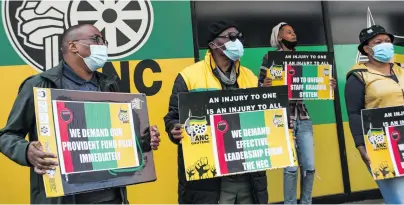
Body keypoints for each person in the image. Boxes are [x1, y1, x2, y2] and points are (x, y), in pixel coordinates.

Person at [0, 24, 161, 204]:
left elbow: (118, 137)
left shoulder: (109, 85)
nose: (103, 46)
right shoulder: (40, 85)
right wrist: (27, 151)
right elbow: (7, 136)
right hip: (65, 198)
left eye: (104, 41)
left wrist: (143, 139)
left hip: (110, 197)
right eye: (96, 39)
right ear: (73, 46)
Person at [163, 20, 268, 204]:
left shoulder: (250, 77)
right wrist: (174, 129)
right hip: (211, 183)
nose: (237, 42)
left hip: (248, 176)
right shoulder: (189, 77)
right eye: (231, 37)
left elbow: (264, 116)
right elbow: (173, 118)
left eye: (239, 36)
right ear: (213, 44)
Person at [260, 22, 336, 204]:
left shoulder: (303, 58)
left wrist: (327, 85)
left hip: (303, 116)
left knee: (309, 167)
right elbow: (260, 88)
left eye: (294, 31)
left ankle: (306, 202)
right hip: (282, 119)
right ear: (279, 37)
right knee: (291, 168)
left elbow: (316, 83)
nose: (293, 34)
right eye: (288, 32)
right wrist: (265, 86)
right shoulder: (270, 58)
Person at [345, 25, 404, 204]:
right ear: (367, 49)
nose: (385, 45)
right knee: (399, 196)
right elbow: (354, 113)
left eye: (387, 41)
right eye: (378, 42)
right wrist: (361, 147)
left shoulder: (401, 69)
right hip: (382, 143)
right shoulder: (358, 75)